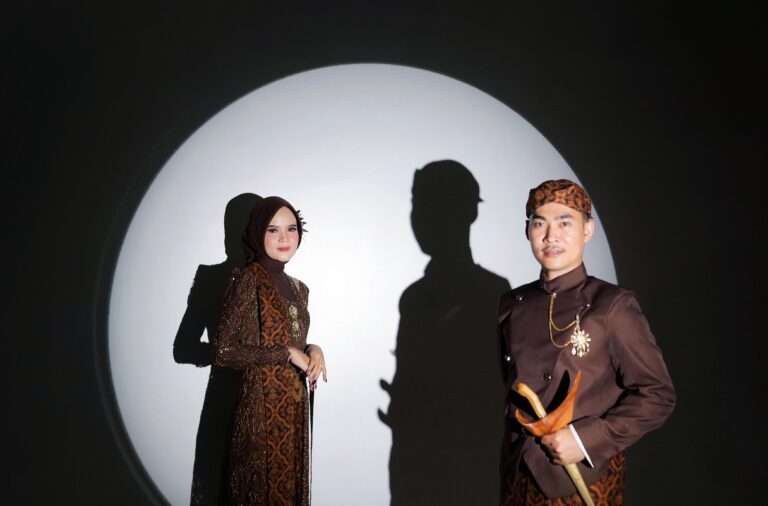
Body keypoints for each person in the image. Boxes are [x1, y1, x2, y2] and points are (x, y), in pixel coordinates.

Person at [498, 179, 675, 505]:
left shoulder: (612, 305)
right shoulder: (512, 304)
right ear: (527, 231)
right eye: (540, 223)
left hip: (581, 482)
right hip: (517, 479)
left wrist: (585, 439)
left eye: (565, 223)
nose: (551, 236)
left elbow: (658, 394)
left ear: (588, 230)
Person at [213, 196, 327, 505]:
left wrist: (313, 349)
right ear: (257, 232)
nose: (284, 238)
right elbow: (223, 350)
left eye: (291, 229)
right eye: (273, 230)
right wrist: (286, 353)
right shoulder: (246, 280)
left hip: (294, 407)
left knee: (290, 490)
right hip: (259, 411)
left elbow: (295, 340)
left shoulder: (299, 288)